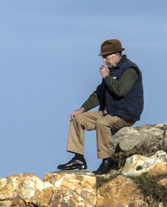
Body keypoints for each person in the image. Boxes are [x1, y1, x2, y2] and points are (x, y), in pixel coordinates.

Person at [57, 38, 143, 174]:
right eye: (103, 57)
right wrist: (82, 109)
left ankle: (107, 160)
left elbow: (120, 91)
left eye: (106, 56)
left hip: (124, 114)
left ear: (116, 54)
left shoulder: (130, 69)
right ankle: (78, 158)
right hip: (109, 112)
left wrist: (106, 77)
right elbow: (98, 94)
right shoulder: (111, 71)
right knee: (78, 119)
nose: (104, 60)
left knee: (102, 123)